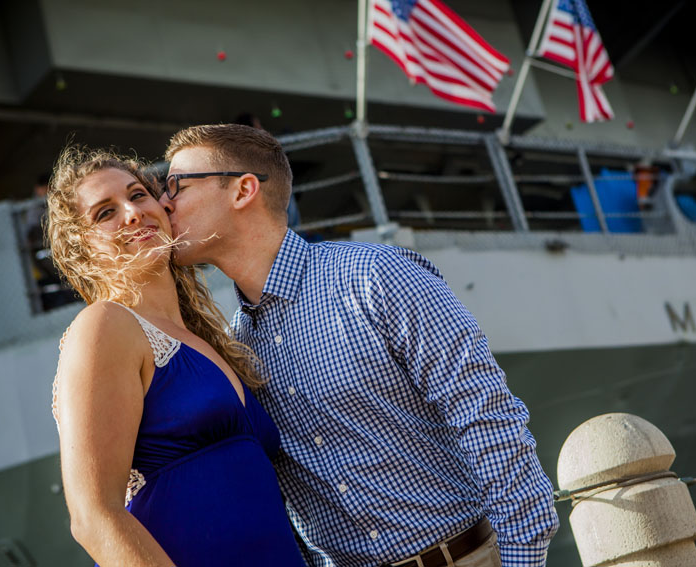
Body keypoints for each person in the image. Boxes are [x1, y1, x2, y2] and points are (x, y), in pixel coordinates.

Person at [158, 124, 560, 567]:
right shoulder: (236, 345)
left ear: (243, 190)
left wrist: (523, 559)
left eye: (176, 184)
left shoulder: (377, 276)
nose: (163, 202)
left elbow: (489, 420)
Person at [46, 145, 306, 567]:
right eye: (104, 213)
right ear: (82, 250)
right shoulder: (104, 327)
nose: (132, 213)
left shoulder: (209, 337)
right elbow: (93, 516)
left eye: (137, 195)